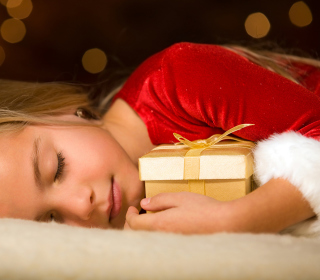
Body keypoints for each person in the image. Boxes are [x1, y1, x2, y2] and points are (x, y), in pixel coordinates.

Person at [0, 42, 320, 236]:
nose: (80, 205)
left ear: (59, 110)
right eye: (52, 220)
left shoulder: (176, 78)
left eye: (57, 168)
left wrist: (239, 219)